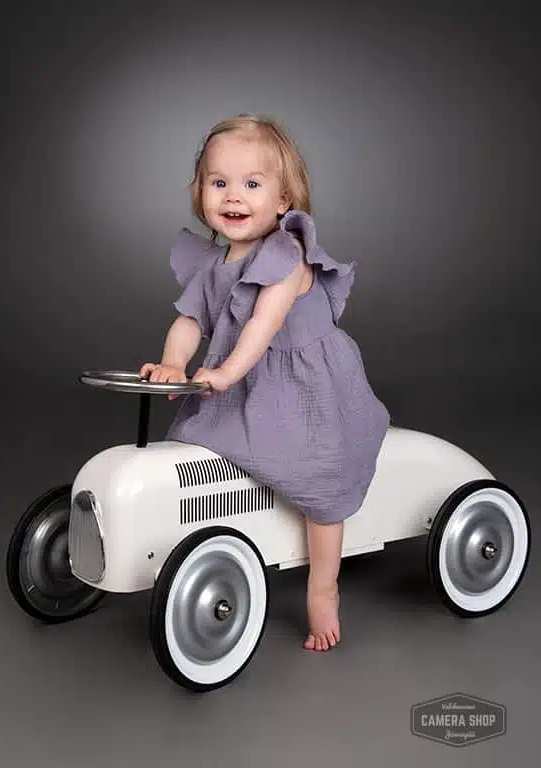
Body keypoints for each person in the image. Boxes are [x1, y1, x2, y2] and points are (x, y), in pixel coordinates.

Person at [140, 114, 390, 652]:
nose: (233, 195)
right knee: (192, 448)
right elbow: (188, 322)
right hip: (241, 383)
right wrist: (173, 364)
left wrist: (226, 373)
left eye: (252, 184)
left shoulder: (286, 254)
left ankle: (323, 586)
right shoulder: (212, 263)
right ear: (200, 192)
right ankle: (212, 540)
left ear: (283, 201)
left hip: (304, 384)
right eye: (219, 182)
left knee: (321, 474)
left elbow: (263, 325)